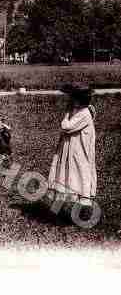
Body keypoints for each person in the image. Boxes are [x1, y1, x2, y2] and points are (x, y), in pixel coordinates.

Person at [47, 82, 97, 210]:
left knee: (78, 171)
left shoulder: (84, 113)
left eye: (73, 99)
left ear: (80, 100)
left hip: (78, 150)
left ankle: (81, 204)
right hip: (70, 148)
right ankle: (69, 204)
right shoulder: (78, 110)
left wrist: (67, 114)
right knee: (68, 169)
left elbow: (66, 126)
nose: (70, 101)